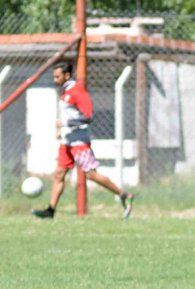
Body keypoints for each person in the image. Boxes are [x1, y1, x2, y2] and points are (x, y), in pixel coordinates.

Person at [32, 62, 134, 219]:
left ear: (67, 75)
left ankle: (124, 195)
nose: (54, 80)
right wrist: (60, 130)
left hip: (79, 142)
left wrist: (65, 123)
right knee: (59, 174)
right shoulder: (65, 92)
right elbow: (68, 114)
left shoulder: (77, 91)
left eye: (57, 76)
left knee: (91, 175)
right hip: (67, 141)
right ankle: (50, 210)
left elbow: (88, 116)